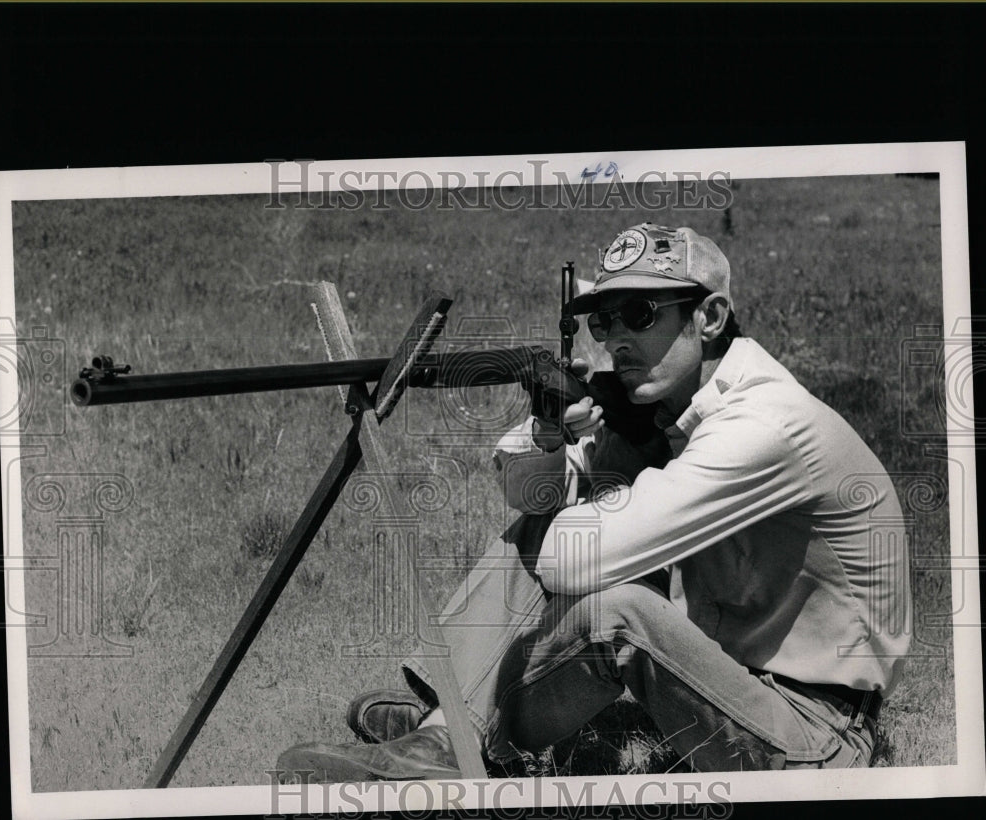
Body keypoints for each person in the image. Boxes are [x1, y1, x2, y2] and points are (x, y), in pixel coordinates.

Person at [277, 223, 911, 779]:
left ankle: (456, 735)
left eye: (640, 314)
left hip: (818, 735)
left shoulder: (764, 425)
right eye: (603, 321)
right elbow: (527, 495)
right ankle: (444, 734)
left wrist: (590, 473)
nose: (616, 341)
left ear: (711, 317)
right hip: (734, 683)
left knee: (619, 612)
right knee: (548, 529)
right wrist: (552, 432)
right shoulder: (670, 414)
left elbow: (568, 563)